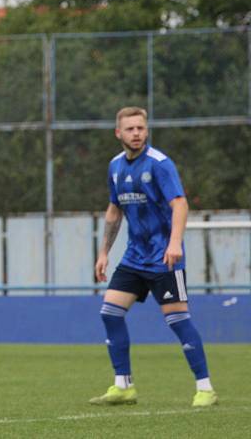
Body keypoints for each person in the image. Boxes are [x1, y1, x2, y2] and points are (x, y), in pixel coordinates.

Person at [89, 106, 217, 408]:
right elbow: (114, 210)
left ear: (147, 131)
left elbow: (180, 203)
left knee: (177, 319)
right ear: (118, 133)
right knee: (110, 312)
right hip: (134, 258)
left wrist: (175, 243)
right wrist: (104, 252)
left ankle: (205, 388)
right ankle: (123, 386)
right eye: (131, 129)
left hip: (164, 259)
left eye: (141, 128)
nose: (137, 133)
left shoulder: (160, 164)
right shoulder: (115, 167)